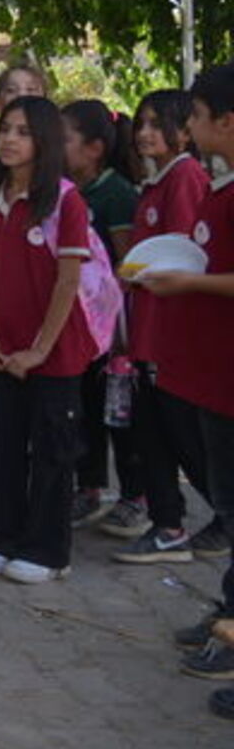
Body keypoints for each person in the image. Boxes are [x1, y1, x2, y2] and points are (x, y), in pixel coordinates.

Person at [0, 97, 99, 584]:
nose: (8, 139)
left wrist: (41, 349)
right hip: (4, 349)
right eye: (5, 129)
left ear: (43, 141)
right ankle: (3, 537)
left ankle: (48, 551)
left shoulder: (66, 201)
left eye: (22, 132)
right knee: (1, 443)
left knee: (52, 451)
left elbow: (68, 281)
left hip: (53, 354)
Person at [140, 64, 234, 703]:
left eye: (195, 117)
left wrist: (190, 284)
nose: (189, 129)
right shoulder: (220, 188)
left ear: (224, 122)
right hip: (212, 378)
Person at [115, 88, 216, 562]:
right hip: (148, 330)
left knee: (180, 434)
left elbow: (185, 258)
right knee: (153, 433)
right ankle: (169, 524)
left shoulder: (186, 178)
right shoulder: (157, 182)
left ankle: (206, 517)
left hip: (169, 333)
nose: (145, 133)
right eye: (141, 124)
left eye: (158, 124)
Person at [63, 99, 139, 530]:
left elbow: (128, 264)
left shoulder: (115, 194)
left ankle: (135, 494)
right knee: (85, 409)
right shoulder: (65, 189)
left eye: (66, 138)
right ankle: (87, 487)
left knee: (120, 413)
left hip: (113, 328)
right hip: (76, 326)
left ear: (94, 148)